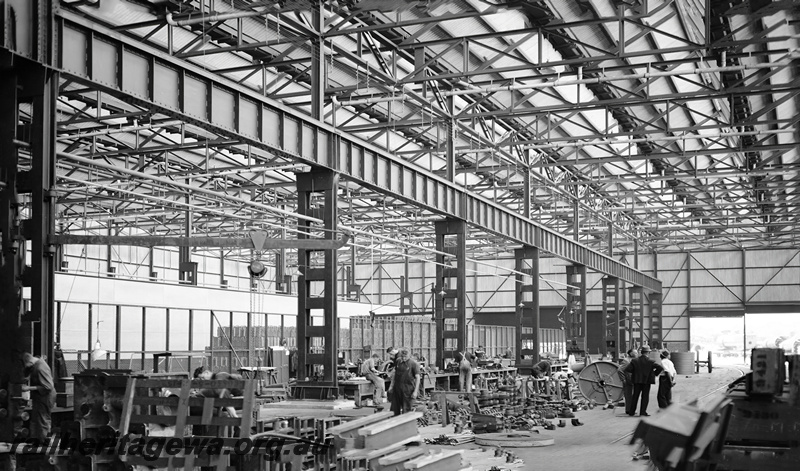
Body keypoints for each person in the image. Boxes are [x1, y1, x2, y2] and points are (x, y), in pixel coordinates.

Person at [21, 352, 56, 440]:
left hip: (45, 397)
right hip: (39, 397)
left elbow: (48, 386)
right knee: (36, 419)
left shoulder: (40, 368)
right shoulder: (36, 365)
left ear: (29, 362)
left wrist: (28, 388)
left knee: (43, 420)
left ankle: (44, 442)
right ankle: (36, 441)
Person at [623, 345, 663, 417]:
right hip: (646, 382)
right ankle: (642, 412)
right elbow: (660, 368)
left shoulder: (635, 361)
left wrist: (635, 373)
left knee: (635, 396)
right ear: (648, 353)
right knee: (645, 397)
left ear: (641, 352)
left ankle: (631, 412)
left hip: (637, 381)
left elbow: (627, 370)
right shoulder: (651, 361)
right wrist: (654, 374)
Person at [386, 348, 420, 416]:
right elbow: (395, 374)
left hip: (408, 389)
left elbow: (417, 378)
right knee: (394, 408)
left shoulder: (414, 364)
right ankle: (394, 422)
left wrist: (415, 391)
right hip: (397, 387)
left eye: (406, 357)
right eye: (402, 356)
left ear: (409, 356)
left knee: (406, 408)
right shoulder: (398, 361)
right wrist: (391, 386)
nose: (404, 358)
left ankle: (405, 424)